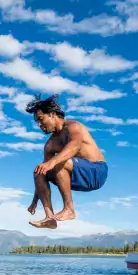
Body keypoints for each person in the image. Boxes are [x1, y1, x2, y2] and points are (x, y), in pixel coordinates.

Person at [24, 94, 108, 229]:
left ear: (51, 114)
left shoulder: (73, 126)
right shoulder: (50, 145)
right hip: (75, 176)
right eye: (37, 122)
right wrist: (35, 201)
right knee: (39, 170)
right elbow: (44, 172)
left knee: (56, 162)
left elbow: (74, 146)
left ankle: (69, 209)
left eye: (41, 119)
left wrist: (52, 162)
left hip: (96, 172)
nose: (39, 125)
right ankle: (50, 218)